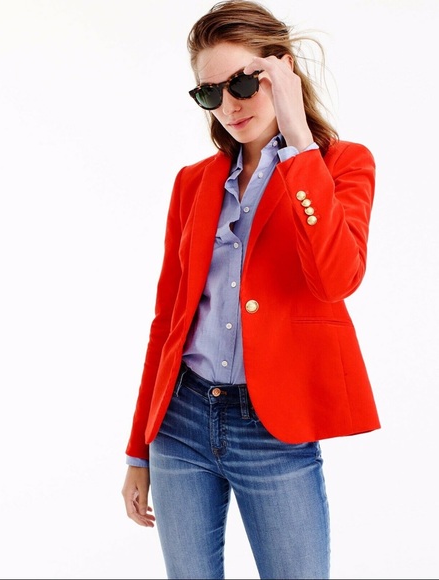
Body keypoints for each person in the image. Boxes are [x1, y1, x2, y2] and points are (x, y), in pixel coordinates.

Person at [121, 1, 381, 578]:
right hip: (181, 422)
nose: (230, 105)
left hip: (273, 429)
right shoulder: (194, 183)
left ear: (282, 70)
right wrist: (139, 447)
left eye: (242, 82)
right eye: (210, 93)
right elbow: (167, 321)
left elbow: (338, 278)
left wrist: (298, 141)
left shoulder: (341, 165)